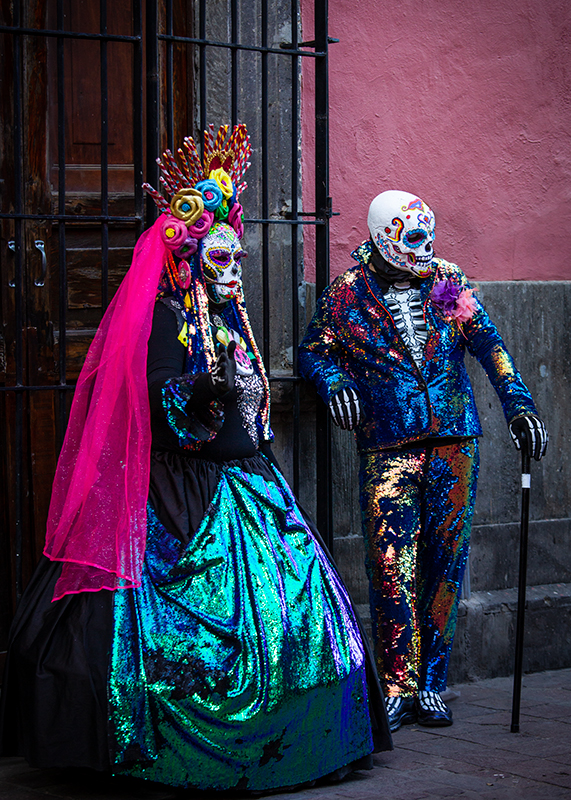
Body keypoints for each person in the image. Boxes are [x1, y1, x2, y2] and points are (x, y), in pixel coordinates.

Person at [0, 125, 391, 792]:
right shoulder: (162, 317)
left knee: (292, 612)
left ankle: (309, 736)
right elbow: (153, 396)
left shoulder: (228, 315)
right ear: (189, 258)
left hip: (248, 487)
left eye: (238, 258)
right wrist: (200, 389)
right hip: (185, 490)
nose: (233, 272)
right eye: (220, 259)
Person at [298, 190, 548, 733]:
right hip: (388, 443)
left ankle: (432, 682)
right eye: (413, 238)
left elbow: (490, 345)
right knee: (391, 565)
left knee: (446, 564)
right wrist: (334, 381)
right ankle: (397, 683)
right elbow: (313, 349)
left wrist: (519, 406)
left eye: (429, 237)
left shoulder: (449, 279)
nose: (425, 248)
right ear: (382, 234)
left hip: (455, 443)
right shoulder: (347, 293)